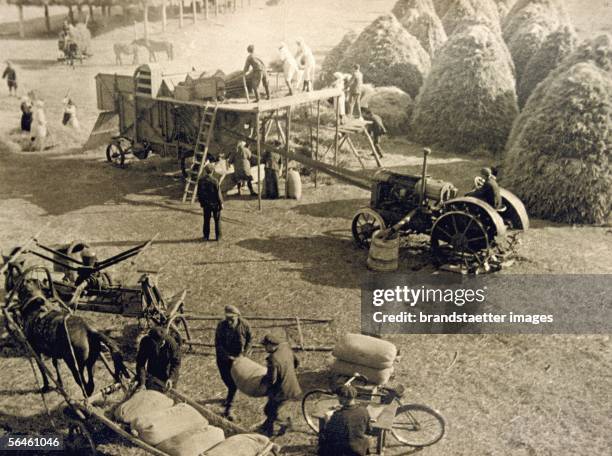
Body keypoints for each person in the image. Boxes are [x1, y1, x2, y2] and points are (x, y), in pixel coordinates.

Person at [259, 333, 302, 437]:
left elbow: (271, 380)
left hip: (281, 391)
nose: (265, 348)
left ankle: (285, 424)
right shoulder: (286, 349)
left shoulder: (273, 360)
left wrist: (262, 381)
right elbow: (297, 362)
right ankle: (267, 427)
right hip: (292, 386)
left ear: (271, 345)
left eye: (265, 346)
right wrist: (288, 371)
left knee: (270, 410)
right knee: (271, 409)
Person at [214, 305, 253, 420]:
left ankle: (228, 409)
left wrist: (244, 354)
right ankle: (229, 397)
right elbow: (218, 344)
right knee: (226, 380)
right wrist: (227, 356)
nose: (229, 321)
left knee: (233, 384)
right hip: (223, 360)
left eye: (232, 318)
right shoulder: (221, 326)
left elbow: (250, 340)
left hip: (238, 360)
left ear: (238, 316)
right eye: (227, 318)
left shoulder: (245, 325)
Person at [318, 384, 371, 456]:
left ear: (344, 398)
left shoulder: (338, 415)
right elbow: (368, 430)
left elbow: (328, 435)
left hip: (344, 451)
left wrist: (328, 420)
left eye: (339, 396)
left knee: (323, 442)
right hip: (359, 449)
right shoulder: (364, 410)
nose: (338, 398)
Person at [135, 326, 181, 392]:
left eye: (163, 341)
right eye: (159, 342)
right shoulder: (145, 342)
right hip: (153, 373)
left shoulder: (171, 343)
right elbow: (140, 363)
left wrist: (171, 378)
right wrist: (142, 383)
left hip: (168, 373)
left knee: (169, 397)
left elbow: (176, 363)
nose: (162, 343)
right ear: (152, 341)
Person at [196, 164, 223, 241]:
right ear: (212, 171)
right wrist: (221, 203)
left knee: (206, 220)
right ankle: (218, 237)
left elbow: (199, 193)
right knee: (217, 220)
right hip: (215, 204)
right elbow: (218, 194)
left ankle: (206, 236)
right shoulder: (215, 181)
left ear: (205, 171)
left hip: (206, 204)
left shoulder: (201, 181)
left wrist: (202, 203)